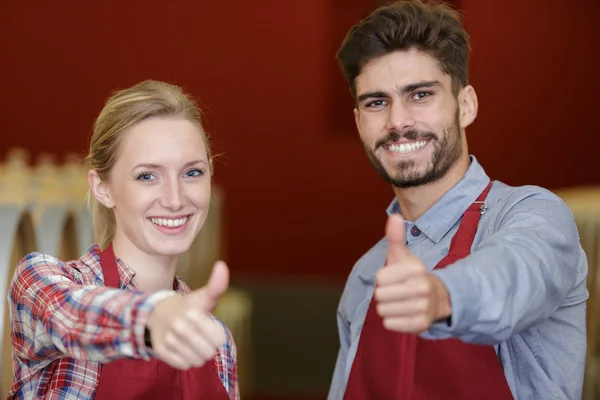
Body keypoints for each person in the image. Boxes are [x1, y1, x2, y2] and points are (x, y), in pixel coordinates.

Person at [327, 1, 588, 399]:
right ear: (360, 122)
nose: (398, 121)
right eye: (376, 102)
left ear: (465, 105)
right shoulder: (366, 277)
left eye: (420, 95)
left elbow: (512, 276)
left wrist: (439, 297)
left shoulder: (533, 215)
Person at [7, 80, 239, 399]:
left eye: (192, 173)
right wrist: (153, 318)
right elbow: (70, 316)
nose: (174, 199)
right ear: (103, 188)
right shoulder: (39, 281)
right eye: (147, 175)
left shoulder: (217, 340)